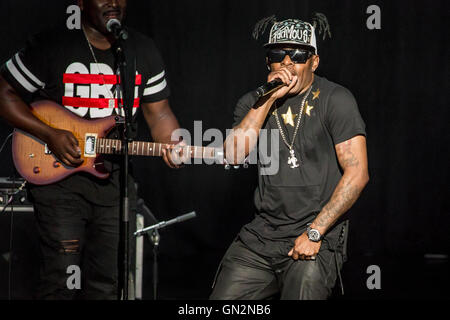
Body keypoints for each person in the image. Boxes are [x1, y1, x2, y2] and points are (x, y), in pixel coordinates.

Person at [0, 0, 182, 299]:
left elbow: (159, 114)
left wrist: (174, 143)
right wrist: (49, 134)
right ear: (82, 3)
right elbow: (4, 93)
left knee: (107, 284)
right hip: (60, 181)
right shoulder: (54, 44)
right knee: (59, 280)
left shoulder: (141, 50)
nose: (113, 2)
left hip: (115, 184)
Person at [210, 18, 369, 300]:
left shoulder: (336, 99)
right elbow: (232, 155)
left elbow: (357, 174)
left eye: (297, 55)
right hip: (262, 237)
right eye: (277, 55)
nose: (286, 63)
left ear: (314, 61)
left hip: (315, 233)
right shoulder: (253, 102)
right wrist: (268, 99)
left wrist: (315, 232)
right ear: (267, 62)